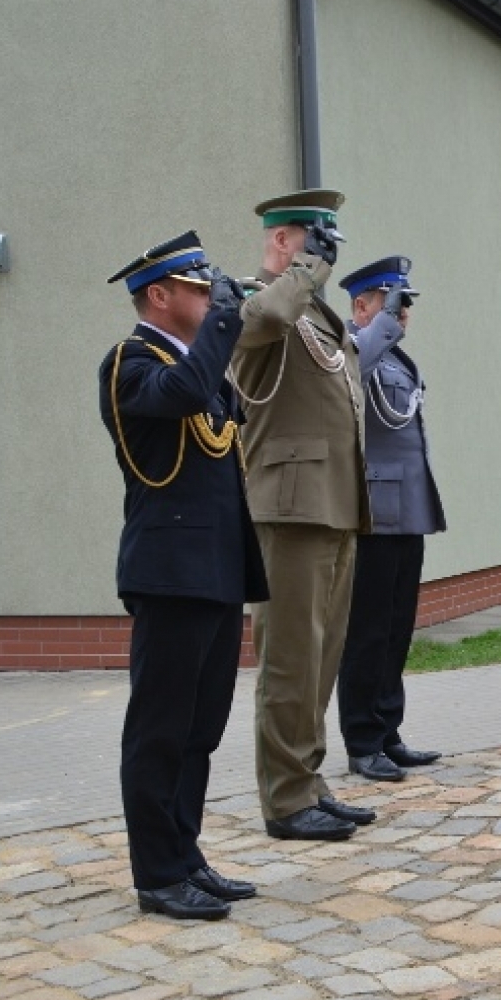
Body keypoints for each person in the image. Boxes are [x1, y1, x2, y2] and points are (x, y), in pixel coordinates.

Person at [98, 231, 269, 920]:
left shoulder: (200, 364)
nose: (212, 298)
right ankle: (157, 874)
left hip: (217, 569)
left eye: (212, 288)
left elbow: (229, 417)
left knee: (200, 729)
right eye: (199, 290)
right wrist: (224, 319)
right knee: (160, 729)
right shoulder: (129, 363)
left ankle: (186, 855)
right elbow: (186, 391)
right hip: (169, 572)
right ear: (158, 296)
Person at [230, 190, 398, 840]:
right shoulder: (250, 300)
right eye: (313, 242)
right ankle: (283, 799)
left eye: (327, 247)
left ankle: (307, 781)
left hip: (333, 503)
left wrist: (310, 280)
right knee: (290, 662)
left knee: (321, 656)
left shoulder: (312, 313)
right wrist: (302, 272)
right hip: (290, 507)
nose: (323, 257)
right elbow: (258, 323)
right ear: (281, 242)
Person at [335, 256, 446, 782]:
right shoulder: (347, 349)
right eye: (393, 302)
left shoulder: (397, 360)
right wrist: (379, 326)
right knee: (367, 631)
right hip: (374, 515)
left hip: (408, 510)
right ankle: (361, 739)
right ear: (362, 306)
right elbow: (349, 375)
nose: (403, 313)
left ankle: (387, 731)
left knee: (397, 629)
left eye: (406, 304)